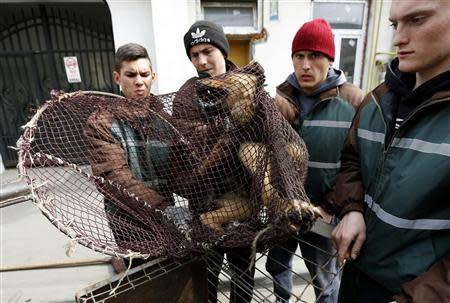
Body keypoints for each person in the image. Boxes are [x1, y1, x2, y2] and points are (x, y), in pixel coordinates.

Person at [325, 1, 450, 302]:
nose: (397, 39)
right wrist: (352, 208)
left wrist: (420, 298)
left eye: (417, 20)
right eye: (395, 25)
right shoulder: (376, 102)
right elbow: (352, 161)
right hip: (355, 277)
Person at [265, 18, 364, 303]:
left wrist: (332, 206)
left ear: (330, 59)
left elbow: (358, 165)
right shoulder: (280, 99)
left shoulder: (354, 101)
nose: (305, 65)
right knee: (277, 266)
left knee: (323, 279)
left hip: (324, 213)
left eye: (315, 56)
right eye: (299, 56)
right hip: (284, 211)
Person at [172, 20, 255, 303]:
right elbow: (187, 147)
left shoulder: (247, 85)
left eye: (208, 51)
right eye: (194, 55)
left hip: (244, 203)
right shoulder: (185, 95)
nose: (202, 61)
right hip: (204, 203)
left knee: (243, 279)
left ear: (223, 51)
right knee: (206, 279)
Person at [84, 43, 173, 269]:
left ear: (153, 75)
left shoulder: (165, 120)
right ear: (117, 78)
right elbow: (116, 178)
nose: (139, 81)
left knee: (172, 273)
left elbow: (178, 169)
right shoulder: (101, 122)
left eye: (144, 74)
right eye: (130, 75)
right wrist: (166, 209)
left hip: (167, 220)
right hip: (128, 221)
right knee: (143, 279)